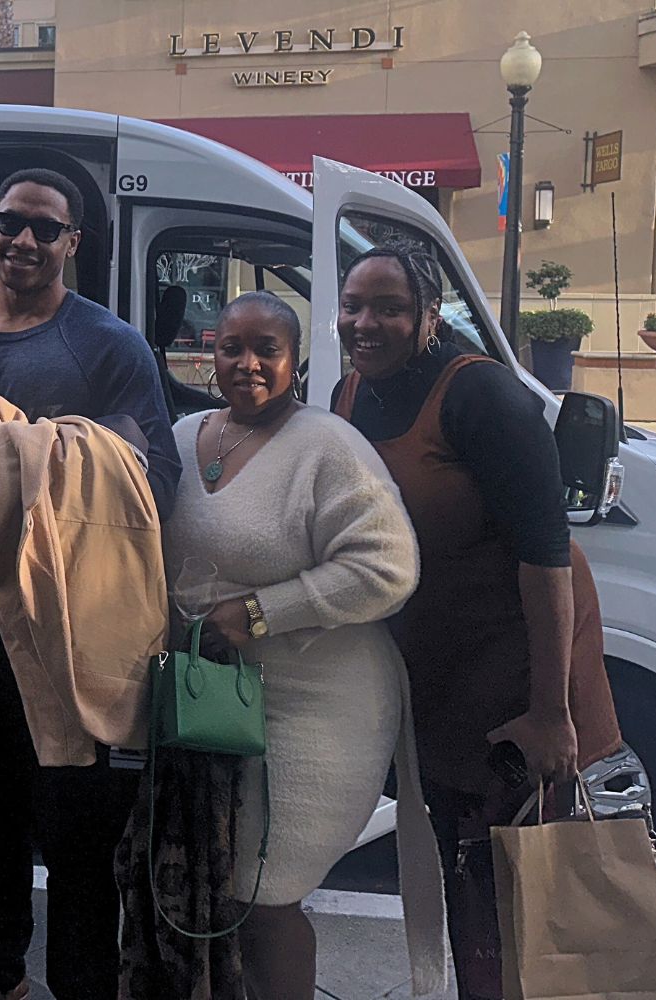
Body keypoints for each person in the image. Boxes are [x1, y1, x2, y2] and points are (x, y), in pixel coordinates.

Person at [0, 168, 182, 1000]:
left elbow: (154, 482)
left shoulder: (108, 345)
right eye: (7, 221)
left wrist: (33, 457)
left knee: (74, 821)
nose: (21, 239)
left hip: (64, 627)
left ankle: (79, 986)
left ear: (71, 244)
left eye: (43, 228)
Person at [120, 292, 439, 1000]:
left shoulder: (325, 445)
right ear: (211, 354)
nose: (247, 363)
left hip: (317, 707)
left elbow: (388, 569)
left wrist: (261, 613)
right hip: (208, 698)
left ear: (294, 361)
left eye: (267, 348)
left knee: (265, 896)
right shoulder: (179, 437)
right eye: (232, 347)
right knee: (218, 896)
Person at [331, 239, 625, 1000]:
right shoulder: (346, 396)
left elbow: (546, 555)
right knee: (468, 878)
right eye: (352, 305)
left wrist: (551, 712)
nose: (365, 323)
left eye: (388, 307)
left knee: (533, 886)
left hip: (521, 675)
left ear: (429, 315)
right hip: (441, 676)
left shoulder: (481, 396)